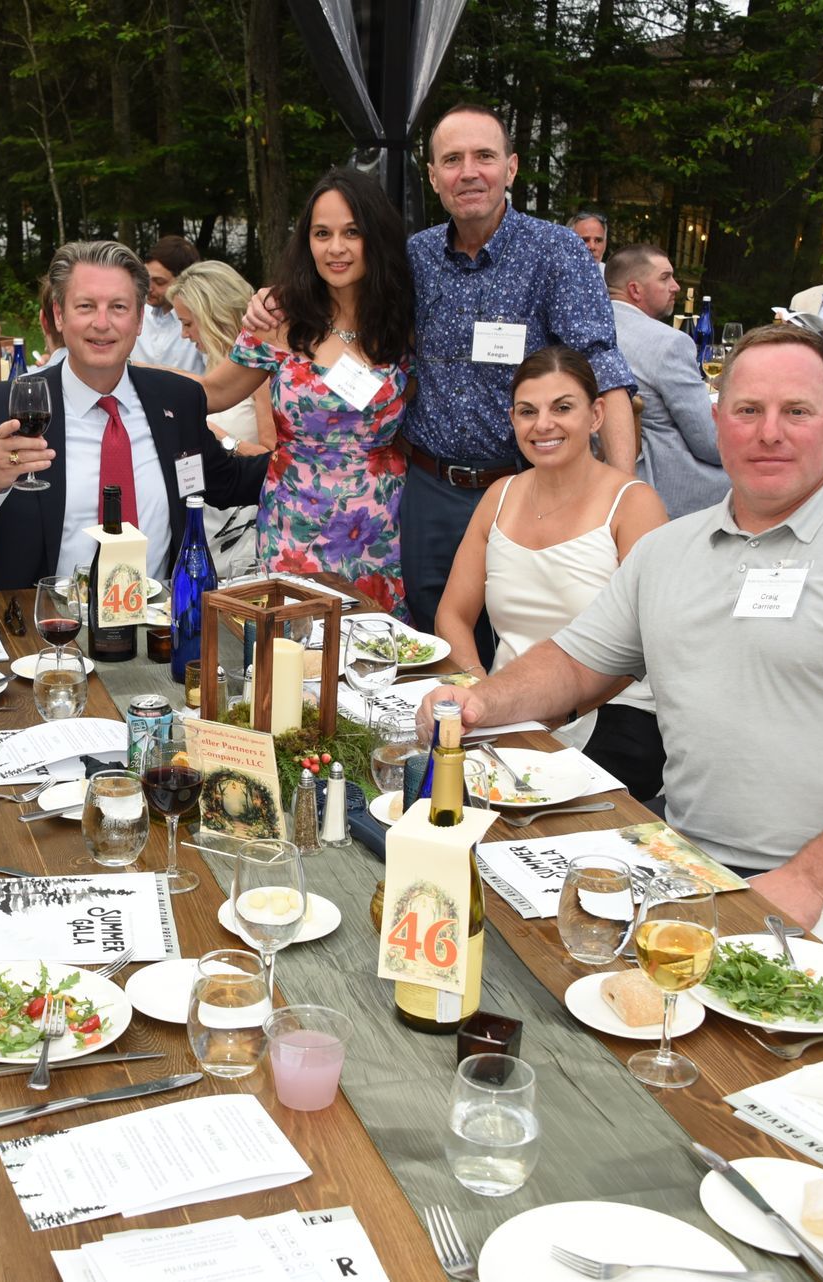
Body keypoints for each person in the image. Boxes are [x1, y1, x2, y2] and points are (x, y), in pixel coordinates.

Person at [422, 325, 823, 980]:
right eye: (749, 411)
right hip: (683, 859)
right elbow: (576, 665)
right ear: (717, 419)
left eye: (797, 412)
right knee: (490, 944)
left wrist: (806, 881)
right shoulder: (672, 550)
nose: (769, 433)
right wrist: (477, 703)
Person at [251, 104, 637, 647]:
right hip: (427, 490)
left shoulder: (557, 253)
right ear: (433, 176)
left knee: (533, 638)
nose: (469, 171)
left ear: (513, 166)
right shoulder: (414, 258)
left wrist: (622, 499)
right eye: (452, 159)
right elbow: (341, 299)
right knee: (430, 640)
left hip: (525, 488)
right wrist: (275, 303)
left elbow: (605, 372)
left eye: (484, 156)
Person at [0, 240, 269, 590]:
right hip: (42, 630)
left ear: (139, 318)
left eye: (118, 307)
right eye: (86, 306)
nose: (102, 323)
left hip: (160, 630)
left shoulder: (176, 400)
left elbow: (228, 482)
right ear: (59, 315)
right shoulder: (0, 409)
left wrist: (317, 459)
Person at [433, 347, 667, 797]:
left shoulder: (634, 505)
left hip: (611, 713)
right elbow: (453, 615)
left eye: (562, 408)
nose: (543, 424)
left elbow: (644, 645)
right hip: (506, 708)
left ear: (596, 414)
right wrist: (477, 689)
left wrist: (559, 713)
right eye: (527, 411)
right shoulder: (500, 495)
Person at [199, 168, 414, 614]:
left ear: (375, 237)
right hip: (294, 524)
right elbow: (214, 392)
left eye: (351, 232)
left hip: (380, 528)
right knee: (293, 654)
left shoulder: (404, 320)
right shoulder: (279, 317)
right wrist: (128, 374)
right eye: (322, 233)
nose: (336, 248)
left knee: (373, 656)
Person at [165, 259, 274, 578]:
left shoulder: (259, 374)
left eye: (188, 323)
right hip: (207, 517)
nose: (184, 335)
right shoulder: (210, 367)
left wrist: (220, 437)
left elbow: (276, 458)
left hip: (242, 529)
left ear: (212, 316)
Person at [605, 243, 727, 517]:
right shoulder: (669, 344)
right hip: (665, 489)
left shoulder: (584, 334)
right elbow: (711, 444)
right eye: (665, 277)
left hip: (596, 474)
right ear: (635, 290)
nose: (676, 287)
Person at [136, 234, 207, 373]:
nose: (149, 288)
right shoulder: (135, 313)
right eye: (146, 278)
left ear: (184, 280)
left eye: (159, 281)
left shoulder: (202, 322)